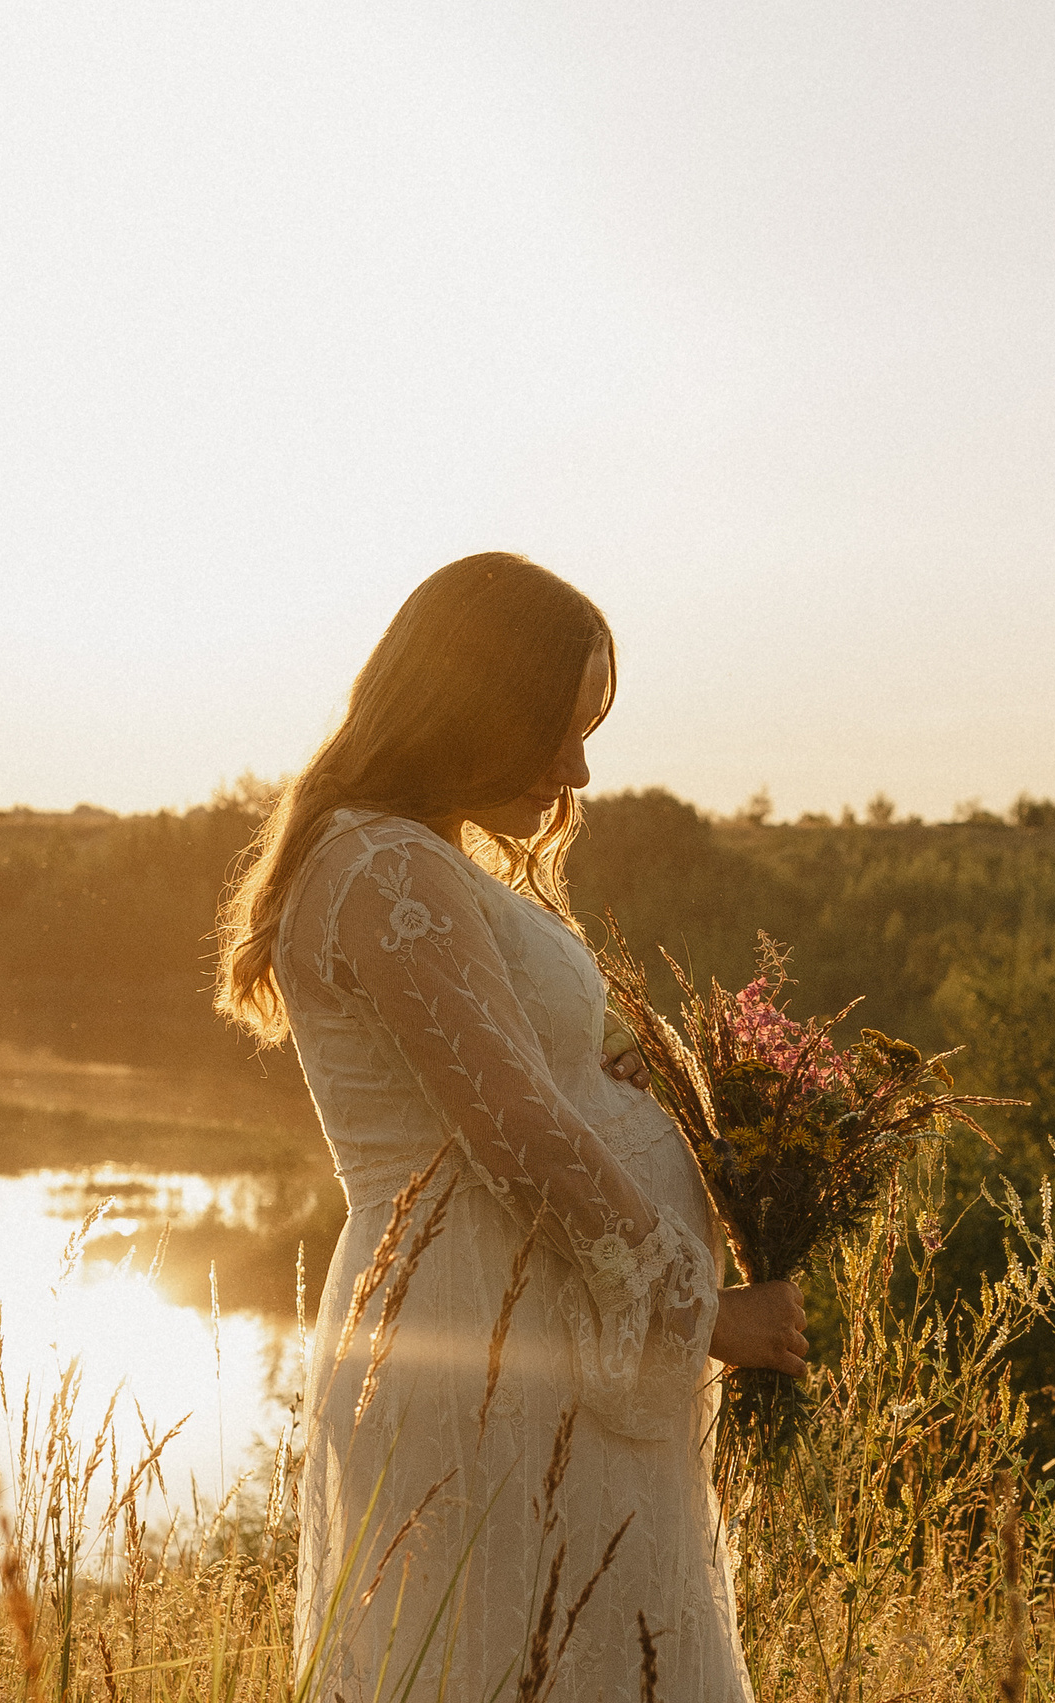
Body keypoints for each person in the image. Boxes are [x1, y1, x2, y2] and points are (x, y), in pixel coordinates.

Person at [214, 553, 804, 1700]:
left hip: (529, 1322)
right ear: (468, 709)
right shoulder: (383, 864)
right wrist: (702, 1312)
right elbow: (520, 1134)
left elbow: (533, 1080)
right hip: (492, 1328)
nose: (578, 765)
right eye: (555, 725)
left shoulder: (414, 858)